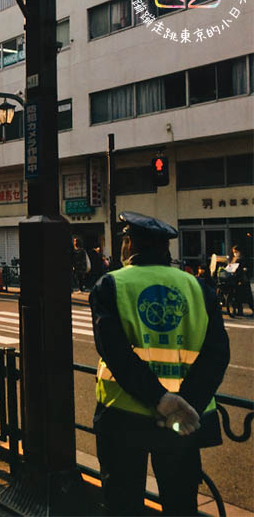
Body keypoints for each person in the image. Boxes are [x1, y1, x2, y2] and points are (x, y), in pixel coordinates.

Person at [90, 211, 229, 516]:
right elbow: (217, 354)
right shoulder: (198, 288)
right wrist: (184, 405)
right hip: (184, 422)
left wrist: (160, 399)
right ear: (165, 250)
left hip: (124, 416)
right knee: (181, 503)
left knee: (123, 503)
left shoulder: (111, 285)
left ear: (129, 245)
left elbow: (115, 353)